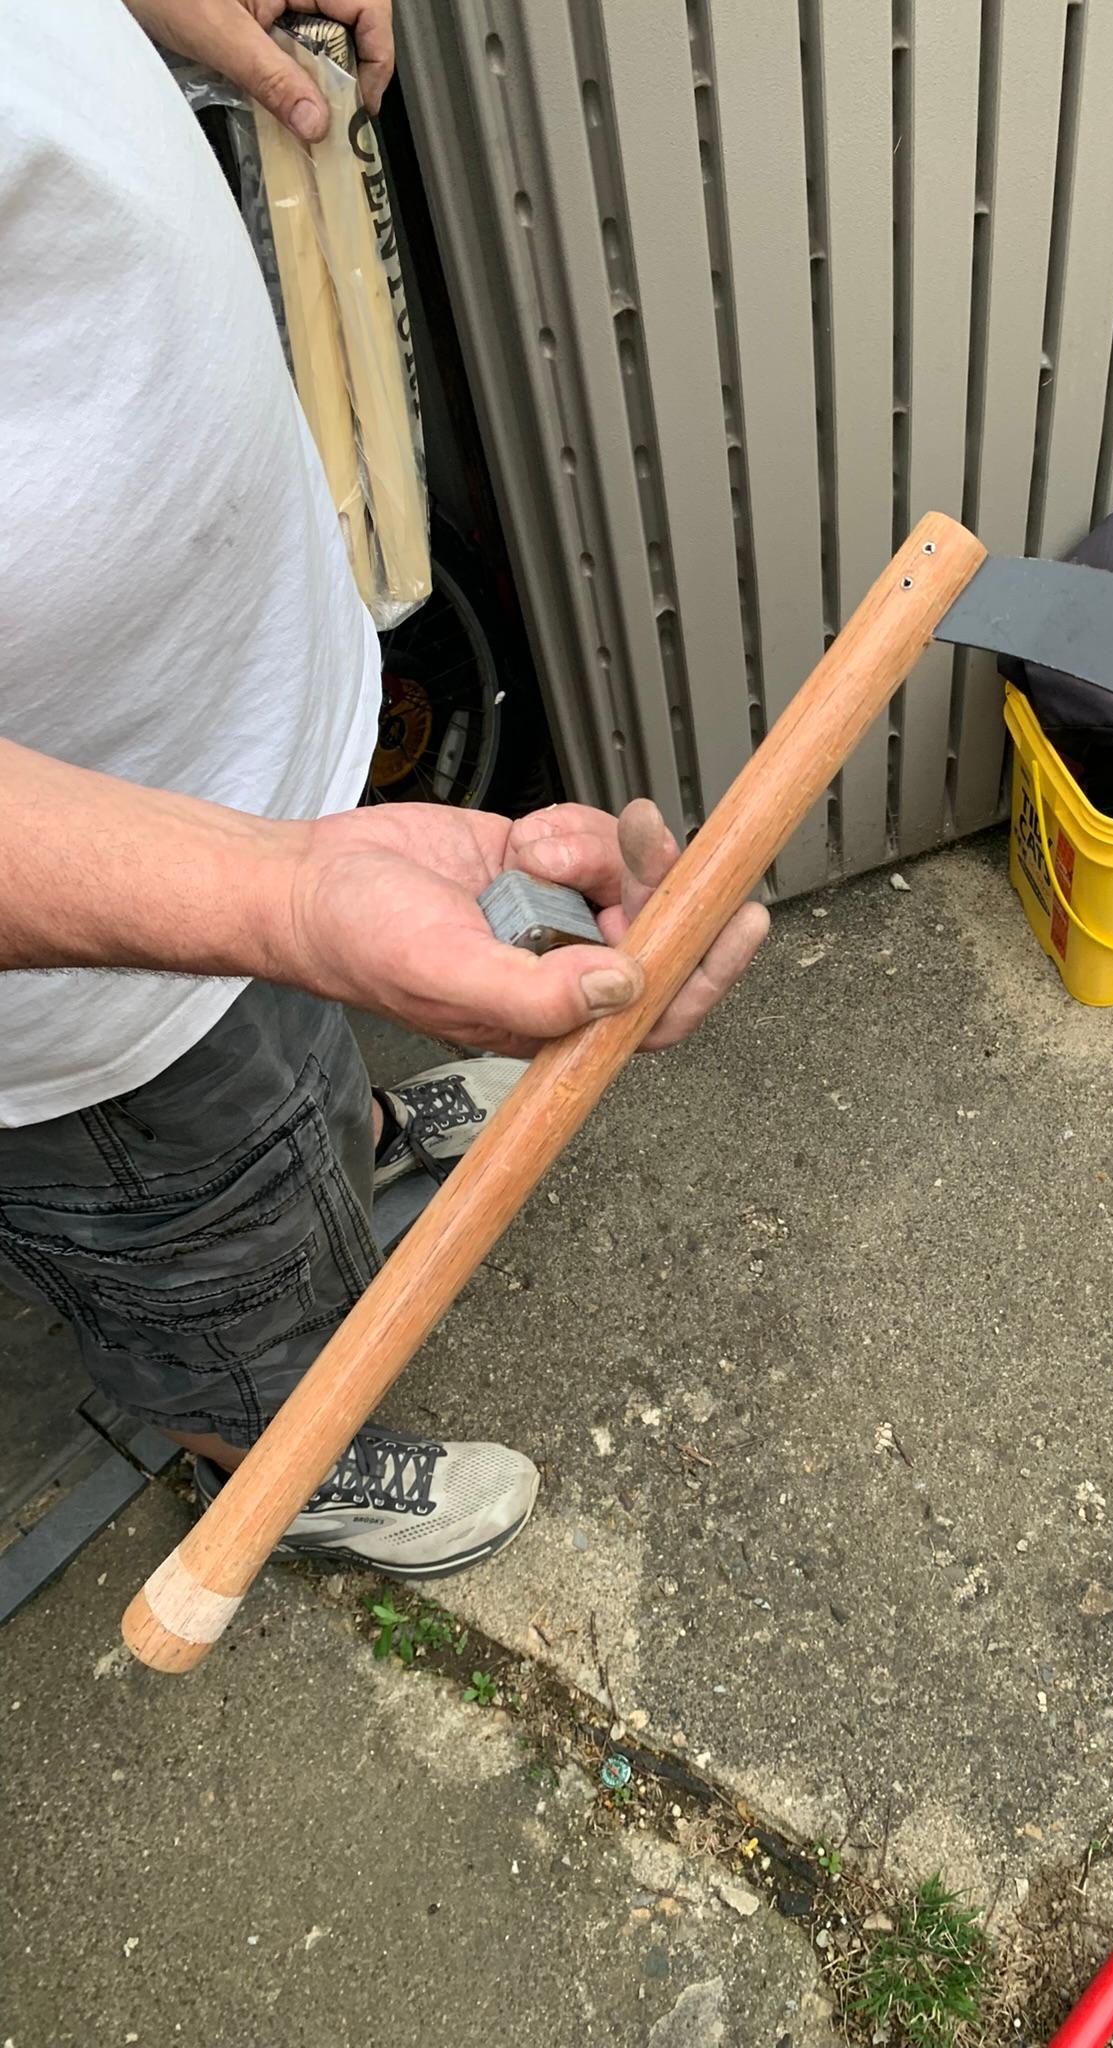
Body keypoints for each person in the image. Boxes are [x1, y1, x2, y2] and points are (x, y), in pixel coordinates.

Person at [0, 0, 767, 1580]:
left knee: (282, 1055)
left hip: (236, 739)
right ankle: (279, 1464)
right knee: (205, 1251)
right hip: (72, 974)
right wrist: (280, 898)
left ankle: (344, 1130)